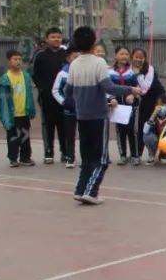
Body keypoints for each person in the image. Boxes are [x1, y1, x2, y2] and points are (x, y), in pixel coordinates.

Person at [63, 27, 141, 205]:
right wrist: (131, 89)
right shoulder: (98, 63)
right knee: (102, 158)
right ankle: (91, 191)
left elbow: (67, 91)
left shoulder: (74, 64)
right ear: (92, 44)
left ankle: (80, 190)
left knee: (87, 156)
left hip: (82, 117)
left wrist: (80, 98)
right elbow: (109, 88)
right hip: (98, 116)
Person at [30, 27, 71, 165]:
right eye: (53, 37)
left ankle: (65, 152)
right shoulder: (40, 55)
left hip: (64, 97)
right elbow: (35, 74)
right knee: (47, 125)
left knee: (64, 125)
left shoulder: (66, 54)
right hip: (46, 97)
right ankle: (48, 152)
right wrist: (43, 88)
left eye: (58, 37)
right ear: (47, 39)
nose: (56, 39)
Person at [0, 49, 36, 167]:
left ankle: (25, 157)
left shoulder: (26, 76)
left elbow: (29, 94)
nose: (18, 61)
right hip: (12, 114)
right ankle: (13, 158)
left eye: (19, 59)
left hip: (24, 112)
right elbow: (2, 99)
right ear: (9, 61)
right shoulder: (5, 78)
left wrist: (31, 109)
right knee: (13, 137)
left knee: (25, 136)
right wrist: (5, 115)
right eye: (15, 59)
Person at [109, 46, 141, 166]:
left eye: (126, 54)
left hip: (131, 106)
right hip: (117, 106)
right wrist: (111, 98)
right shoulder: (110, 72)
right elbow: (108, 89)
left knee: (132, 130)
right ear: (116, 56)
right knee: (120, 131)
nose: (124, 57)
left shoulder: (131, 72)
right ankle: (122, 155)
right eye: (121, 54)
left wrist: (133, 95)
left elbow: (138, 88)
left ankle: (135, 155)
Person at [132, 47, 165, 161]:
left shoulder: (150, 69)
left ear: (145, 58)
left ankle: (154, 153)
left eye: (141, 57)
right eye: (136, 57)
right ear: (132, 57)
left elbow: (150, 88)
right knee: (141, 127)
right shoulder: (130, 70)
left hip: (155, 102)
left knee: (154, 127)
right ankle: (138, 154)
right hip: (142, 103)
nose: (138, 59)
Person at [51, 46, 80, 168]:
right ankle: (70, 157)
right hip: (70, 110)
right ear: (68, 58)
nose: (77, 59)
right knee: (69, 135)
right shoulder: (62, 74)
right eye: (75, 57)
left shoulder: (86, 72)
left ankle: (87, 157)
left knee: (85, 134)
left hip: (85, 110)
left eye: (79, 57)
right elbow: (56, 90)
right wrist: (64, 102)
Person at [142, 94, 166, 163]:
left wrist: (159, 151)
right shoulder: (153, 117)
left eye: (163, 104)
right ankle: (152, 155)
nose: (160, 107)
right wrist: (153, 115)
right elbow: (145, 131)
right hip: (156, 145)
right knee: (148, 136)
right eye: (158, 104)